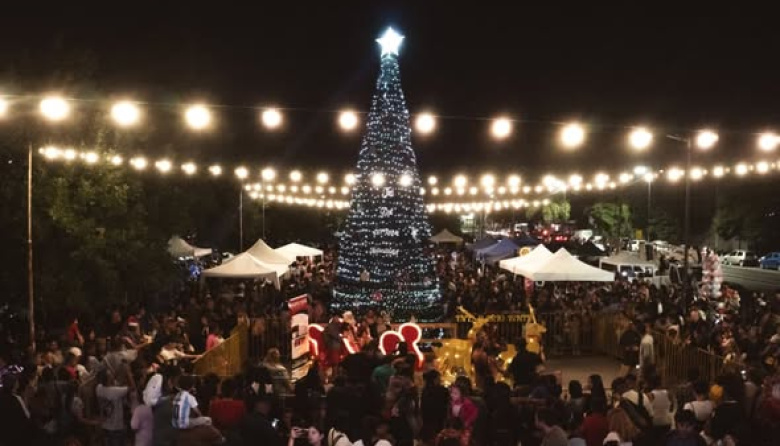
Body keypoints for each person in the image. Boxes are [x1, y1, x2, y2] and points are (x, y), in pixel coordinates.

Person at [96, 368, 133, 446]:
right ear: (108, 378)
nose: (112, 375)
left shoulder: (98, 388)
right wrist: (128, 373)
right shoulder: (115, 391)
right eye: (110, 374)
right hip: (116, 428)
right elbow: (132, 387)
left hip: (104, 425)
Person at [420, 370, 449, 444]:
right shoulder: (442, 390)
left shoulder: (425, 391)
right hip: (439, 420)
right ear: (435, 379)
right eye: (439, 378)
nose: (440, 380)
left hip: (427, 421)